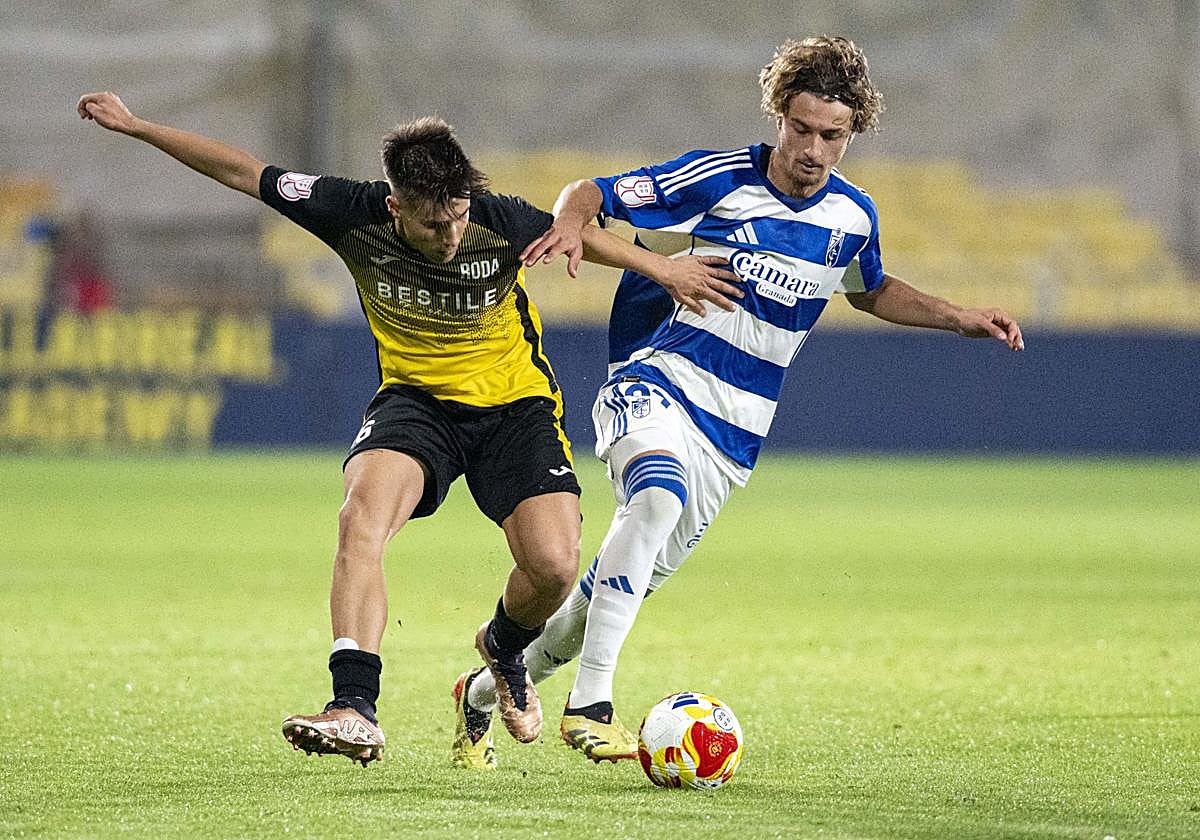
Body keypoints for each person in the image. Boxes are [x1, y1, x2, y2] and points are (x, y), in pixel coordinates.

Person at [76, 92, 740, 767]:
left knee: (555, 567)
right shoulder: (349, 211)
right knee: (360, 515)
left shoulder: (499, 220)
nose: (450, 236)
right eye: (431, 224)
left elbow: (583, 236)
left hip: (515, 407)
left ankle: (503, 648)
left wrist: (663, 267)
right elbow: (242, 171)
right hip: (415, 403)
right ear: (396, 207)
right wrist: (137, 127)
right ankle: (353, 705)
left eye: (456, 218)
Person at [452, 35, 1024, 767]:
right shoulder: (719, 178)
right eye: (801, 128)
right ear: (778, 115)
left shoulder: (853, 218)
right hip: (653, 381)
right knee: (655, 496)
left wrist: (961, 316)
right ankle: (591, 704)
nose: (813, 149)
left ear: (852, 134)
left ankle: (478, 691)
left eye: (832, 136)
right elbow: (592, 193)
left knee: (592, 609)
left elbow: (871, 288)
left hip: (734, 436)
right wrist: (579, 228)